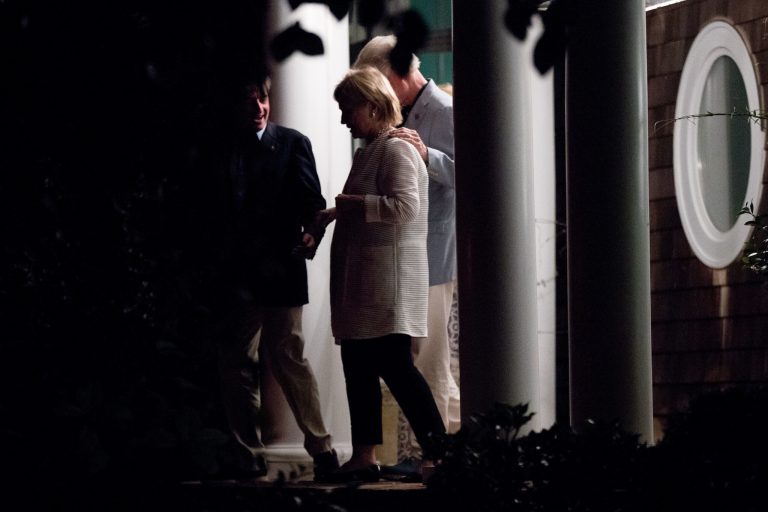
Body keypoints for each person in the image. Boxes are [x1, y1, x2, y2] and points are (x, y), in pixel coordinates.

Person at [315, 66, 446, 483]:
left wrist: (353, 206)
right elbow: (370, 203)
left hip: (387, 285)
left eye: (346, 108)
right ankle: (365, 455)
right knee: (359, 365)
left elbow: (405, 208)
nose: (342, 119)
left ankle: (440, 452)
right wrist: (337, 213)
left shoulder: (397, 149)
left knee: (395, 367)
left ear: (372, 106)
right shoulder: (371, 150)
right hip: (368, 284)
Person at [215, 75, 338, 482]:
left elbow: (312, 202)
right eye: (249, 102)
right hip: (239, 274)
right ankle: (248, 454)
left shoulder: (291, 142)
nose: (258, 110)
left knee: (288, 357)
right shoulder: (225, 147)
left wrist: (312, 233)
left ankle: (322, 450)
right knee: (236, 363)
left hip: (281, 269)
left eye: (262, 100)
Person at [353, 35, 460, 472]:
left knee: (428, 360)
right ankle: (439, 454)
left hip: (434, 256)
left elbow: (470, 174)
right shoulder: (398, 115)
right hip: (404, 258)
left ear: (394, 74)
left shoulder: (447, 113)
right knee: (416, 359)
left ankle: (435, 459)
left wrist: (426, 154)